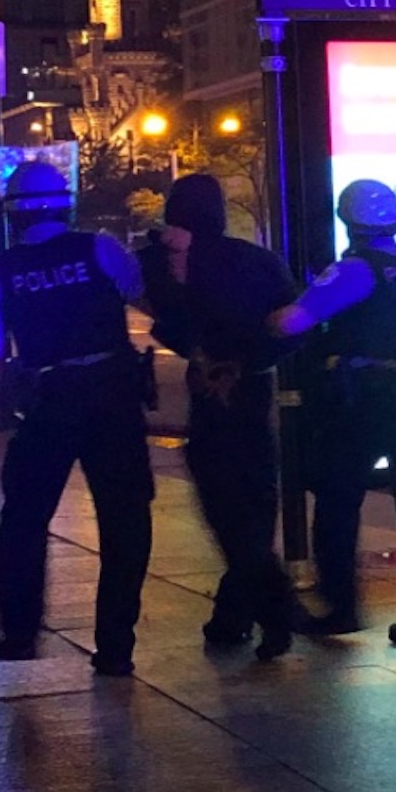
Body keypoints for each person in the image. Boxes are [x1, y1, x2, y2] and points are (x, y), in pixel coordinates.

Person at [0, 161, 154, 677]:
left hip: (48, 399)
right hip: (112, 394)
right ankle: (115, 647)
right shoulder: (101, 249)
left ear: (13, 213)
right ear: (65, 203)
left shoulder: (1, 270)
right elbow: (144, 296)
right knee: (125, 519)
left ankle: (19, 635)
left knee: (24, 518)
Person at [268, 178, 396, 649]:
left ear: (349, 222)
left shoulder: (354, 269)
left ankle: (340, 607)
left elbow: (295, 321)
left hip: (363, 403)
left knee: (337, 501)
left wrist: (267, 318)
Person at [138, 174, 299, 661]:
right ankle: (232, 616)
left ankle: (274, 610)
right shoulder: (260, 261)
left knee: (225, 510)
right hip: (254, 389)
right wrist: (249, 361)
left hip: (210, 390)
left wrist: (203, 357)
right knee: (253, 505)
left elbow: (155, 309)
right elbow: (292, 324)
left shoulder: (162, 262)